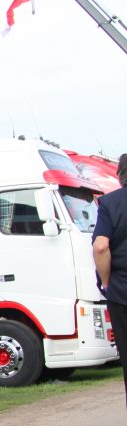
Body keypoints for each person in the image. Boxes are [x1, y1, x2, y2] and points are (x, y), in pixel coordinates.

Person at [92, 153, 127, 408]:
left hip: (122, 293)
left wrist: (106, 283)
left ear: (120, 174)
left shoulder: (110, 203)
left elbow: (101, 246)